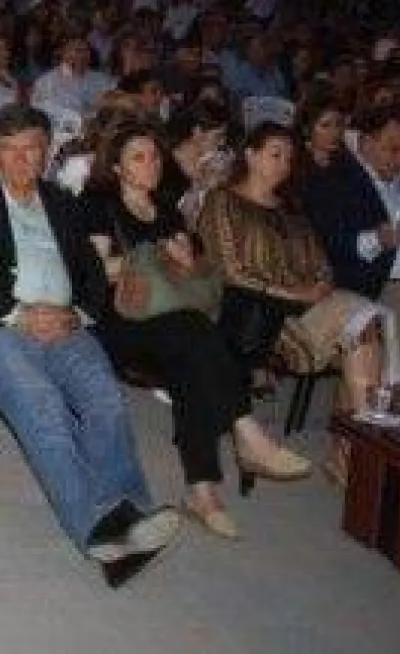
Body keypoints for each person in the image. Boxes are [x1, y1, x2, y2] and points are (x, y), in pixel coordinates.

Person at [0, 104, 180, 588]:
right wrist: (18, 313)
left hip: (67, 326)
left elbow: (89, 272)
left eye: (34, 149)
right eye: (13, 149)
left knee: (106, 401)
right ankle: (96, 530)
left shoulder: (61, 201)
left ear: (47, 153)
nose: (25, 159)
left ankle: (130, 516)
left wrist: (76, 313)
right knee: (43, 408)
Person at [84, 124, 310, 541]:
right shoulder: (99, 205)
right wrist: (147, 258)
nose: (150, 165)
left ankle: (202, 492)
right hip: (119, 322)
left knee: (196, 350)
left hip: (173, 321)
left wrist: (185, 261)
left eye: (154, 156)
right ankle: (247, 437)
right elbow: (93, 275)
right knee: (196, 336)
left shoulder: (168, 209)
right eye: (138, 157)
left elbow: (194, 274)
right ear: (116, 166)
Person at [195, 122, 390, 483]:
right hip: (246, 312)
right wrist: (296, 293)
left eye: (288, 157)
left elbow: (322, 266)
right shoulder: (224, 200)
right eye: (275, 154)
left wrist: (318, 285)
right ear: (250, 155)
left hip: (301, 314)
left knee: (363, 330)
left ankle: (351, 454)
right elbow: (230, 270)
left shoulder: (292, 210)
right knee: (361, 323)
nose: (284, 164)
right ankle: (361, 452)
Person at [299, 105, 400, 407]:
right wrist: (376, 238)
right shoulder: (336, 182)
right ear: (365, 143)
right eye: (393, 149)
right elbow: (330, 245)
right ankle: (385, 427)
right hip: (384, 285)